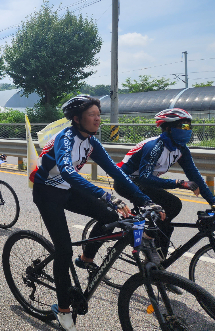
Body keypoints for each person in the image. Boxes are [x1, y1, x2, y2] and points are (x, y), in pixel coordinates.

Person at [29, 94, 164, 331]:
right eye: (92, 115)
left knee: (112, 217)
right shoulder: (66, 138)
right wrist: (106, 195)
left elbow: (116, 171)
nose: (97, 119)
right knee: (63, 249)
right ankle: (62, 309)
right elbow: (68, 171)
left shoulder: (91, 142)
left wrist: (145, 199)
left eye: (99, 115)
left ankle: (87, 257)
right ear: (76, 118)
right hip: (47, 192)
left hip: (69, 189)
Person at [115, 108, 215, 259]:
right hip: (126, 182)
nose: (188, 130)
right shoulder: (155, 146)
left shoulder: (180, 148)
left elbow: (195, 177)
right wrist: (178, 182)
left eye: (189, 126)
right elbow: (145, 178)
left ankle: (159, 265)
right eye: (183, 126)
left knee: (166, 226)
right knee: (173, 204)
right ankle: (147, 238)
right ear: (169, 128)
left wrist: (213, 202)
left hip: (143, 182)